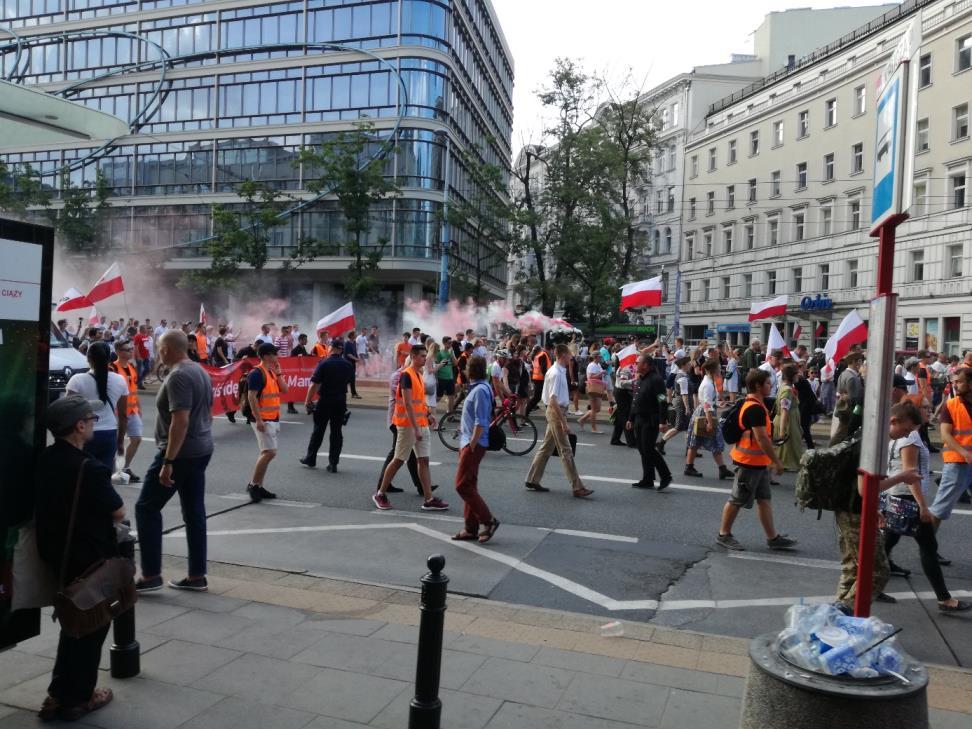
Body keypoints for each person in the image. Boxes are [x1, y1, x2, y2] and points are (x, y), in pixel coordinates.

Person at [35, 395, 124, 722]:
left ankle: (58, 694)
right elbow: (117, 511)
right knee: (92, 627)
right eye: (91, 419)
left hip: (57, 555)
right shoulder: (90, 468)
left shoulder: (45, 458)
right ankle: (79, 698)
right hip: (89, 560)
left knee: (72, 625)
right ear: (79, 426)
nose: (93, 424)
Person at [134, 330, 214, 592]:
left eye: (159, 348)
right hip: (201, 448)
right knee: (194, 512)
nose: (158, 353)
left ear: (166, 349)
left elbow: (180, 421)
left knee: (146, 507)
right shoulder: (200, 371)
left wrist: (168, 461)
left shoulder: (179, 375)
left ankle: (150, 576)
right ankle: (196, 575)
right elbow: (207, 412)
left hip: (180, 453)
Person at [881, 400, 970, 612]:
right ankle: (944, 599)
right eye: (925, 409)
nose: (930, 413)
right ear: (913, 410)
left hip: (894, 495)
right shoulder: (910, 436)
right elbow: (910, 474)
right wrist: (923, 506)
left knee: (888, 541)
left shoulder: (898, 433)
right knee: (929, 547)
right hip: (906, 497)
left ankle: (867, 582)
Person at [716, 369, 797, 552]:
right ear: (758, 386)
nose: (771, 386)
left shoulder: (756, 405)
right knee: (737, 499)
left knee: (764, 499)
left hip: (757, 463)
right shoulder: (754, 408)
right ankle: (723, 534)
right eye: (768, 383)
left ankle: (772, 538)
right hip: (748, 463)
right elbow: (762, 439)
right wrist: (776, 461)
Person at [373, 344, 449, 510]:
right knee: (399, 460)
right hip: (408, 426)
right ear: (413, 357)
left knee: (424, 461)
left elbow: (419, 401)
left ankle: (429, 499)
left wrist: (429, 415)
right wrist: (415, 428)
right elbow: (407, 404)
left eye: (425, 355)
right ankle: (380, 493)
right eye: (422, 356)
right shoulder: (406, 375)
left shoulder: (419, 374)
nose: (424, 358)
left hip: (421, 424)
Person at [524, 344, 594, 498]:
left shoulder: (559, 371)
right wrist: (564, 422)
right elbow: (553, 400)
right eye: (570, 354)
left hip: (556, 411)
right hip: (556, 412)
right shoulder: (556, 373)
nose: (572, 356)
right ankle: (577, 487)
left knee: (546, 448)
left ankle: (532, 479)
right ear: (563, 355)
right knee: (566, 450)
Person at [451, 355, 500, 544]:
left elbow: (481, 421)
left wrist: (471, 444)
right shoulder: (481, 387)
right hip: (469, 441)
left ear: (471, 370)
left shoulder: (479, 390)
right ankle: (470, 529)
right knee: (469, 485)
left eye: (466, 368)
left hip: (473, 444)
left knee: (461, 485)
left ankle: (489, 521)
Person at [65, 341, 128, 471]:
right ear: (109, 358)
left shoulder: (77, 380)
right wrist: (120, 442)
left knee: (80, 476)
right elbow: (123, 416)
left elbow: (68, 412)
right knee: (103, 478)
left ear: (88, 358)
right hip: (109, 435)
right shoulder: (120, 380)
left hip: (83, 434)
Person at [300, 339, 354, 473]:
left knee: (318, 430)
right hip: (340, 401)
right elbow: (348, 382)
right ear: (341, 350)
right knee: (336, 432)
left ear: (331, 348)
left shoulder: (324, 363)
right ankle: (333, 463)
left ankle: (310, 458)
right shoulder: (348, 365)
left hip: (325, 400)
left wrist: (307, 401)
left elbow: (314, 384)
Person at [928, 367, 972, 526]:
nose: (955, 385)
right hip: (958, 463)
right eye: (954, 382)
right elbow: (945, 435)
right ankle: (928, 549)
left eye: (959, 382)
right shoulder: (951, 405)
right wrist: (965, 454)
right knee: (938, 511)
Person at [245, 343, 288, 502]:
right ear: (266, 356)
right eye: (274, 354)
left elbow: (285, 390)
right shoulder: (257, 373)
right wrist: (258, 419)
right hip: (263, 419)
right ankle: (253, 485)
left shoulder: (271, 372)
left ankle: (259, 486)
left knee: (266, 453)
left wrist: (279, 373)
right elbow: (251, 397)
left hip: (272, 417)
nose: (277, 356)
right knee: (270, 452)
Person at [627, 353, 671, 490]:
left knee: (648, 449)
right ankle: (648, 479)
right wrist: (631, 418)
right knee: (642, 449)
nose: (635, 364)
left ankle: (666, 476)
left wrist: (663, 421)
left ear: (645, 365)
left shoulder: (656, 380)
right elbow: (635, 401)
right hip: (639, 419)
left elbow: (662, 401)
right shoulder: (641, 379)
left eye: (638, 362)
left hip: (650, 419)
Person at [685, 358, 734, 480]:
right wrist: (710, 422)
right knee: (700, 442)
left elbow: (708, 402)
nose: (720, 369)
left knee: (699, 441)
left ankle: (721, 469)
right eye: (718, 368)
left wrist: (718, 403)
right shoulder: (708, 384)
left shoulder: (709, 381)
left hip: (705, 412)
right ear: (712, 370)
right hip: (705, 414)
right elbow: (706, 404)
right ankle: (690, 467)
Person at [109, 339, 143, 482]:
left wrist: (138, 408)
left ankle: (124, 468)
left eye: (130, 349)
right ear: (118, 352)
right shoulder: (112, 368)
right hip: (117, 413)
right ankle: (113, 471)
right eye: (127, 349)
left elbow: (134, 390)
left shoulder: (131, 367)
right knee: (116, 442)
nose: (131, 351)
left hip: (132, 411)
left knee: (136, 439)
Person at [772, 364, 807, 471]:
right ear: (791, 376)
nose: (799, 375)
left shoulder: (788, 388)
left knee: (784, 449)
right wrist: (782, 431)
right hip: (788, 423)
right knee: (788, 447)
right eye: (796, 374)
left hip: (792, 421)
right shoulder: (787, 390)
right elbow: (784, 411)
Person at [658, 356, 692, 455]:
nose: (690, 365)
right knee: (678, 426)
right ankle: (661, 443)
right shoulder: (682, 378)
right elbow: (684, 393)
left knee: (688, 426)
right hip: (681, 403)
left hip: (682, 402)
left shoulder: (683, 375)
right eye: (688, 364)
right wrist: (687, 407)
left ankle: (689, 448)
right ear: (683, 365)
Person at [830, 352, 865, 446]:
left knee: (841, 433)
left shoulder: (844, 373)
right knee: (841, 433)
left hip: (843, 408)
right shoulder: (852, 377)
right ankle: (829, 451)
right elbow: (853, 398)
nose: (861, 364)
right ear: (854, 362)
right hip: (848, 411)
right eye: (860, 361)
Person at [610, 357, 637, 447]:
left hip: (623, 392)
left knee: (620, 415)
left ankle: (615, 438)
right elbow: (622, 383)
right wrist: (635, 380)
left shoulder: (627, 366)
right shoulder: (625, 368)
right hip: (622, 392)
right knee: (625, 416)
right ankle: (631, 441)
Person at [578, 350, 605, 433]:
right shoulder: (591, 365)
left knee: (597, 409)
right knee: (594, 409)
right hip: (592, 387)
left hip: (597, 387)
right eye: (600, 356)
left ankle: (582, 419)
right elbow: (590, 377)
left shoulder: (598, 364)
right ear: (596, 357)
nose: (601, 357)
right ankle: (594, 428)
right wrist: (601, 374)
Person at [526, 344, 552, 416]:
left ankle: (527, 411)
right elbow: (543, 368)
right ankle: (526, 412)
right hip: (543, 379)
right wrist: (548, 379)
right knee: (543, 397)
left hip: (537, 379)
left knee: (539, 397)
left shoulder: (535, 356)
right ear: (541, 349)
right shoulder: (542, 355)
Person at [436, 336, 459, 413]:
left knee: (451, 397)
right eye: (449, 343)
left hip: (450, 377)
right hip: (441, 377)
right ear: (444, 343)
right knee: (439, 397)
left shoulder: (451, 352)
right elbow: (436, 365)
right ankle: (427, 409)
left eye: (451, 343)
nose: (450, 344)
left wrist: (452, 354)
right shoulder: (440, 352)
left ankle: (450, 414)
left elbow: (456, 363)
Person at [344, 330, 362, 399]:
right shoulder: (347, 343)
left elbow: (355, 352)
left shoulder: (354, 342)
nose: (356, 335)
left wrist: (357, 358)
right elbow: (348, 354)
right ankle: (345, 392)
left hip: (352, 363)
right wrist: (356, 359)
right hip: (348, 363)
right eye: (355, 334)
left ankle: (353, 393)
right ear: (351, 335)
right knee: (348, 379)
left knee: (352, 379)